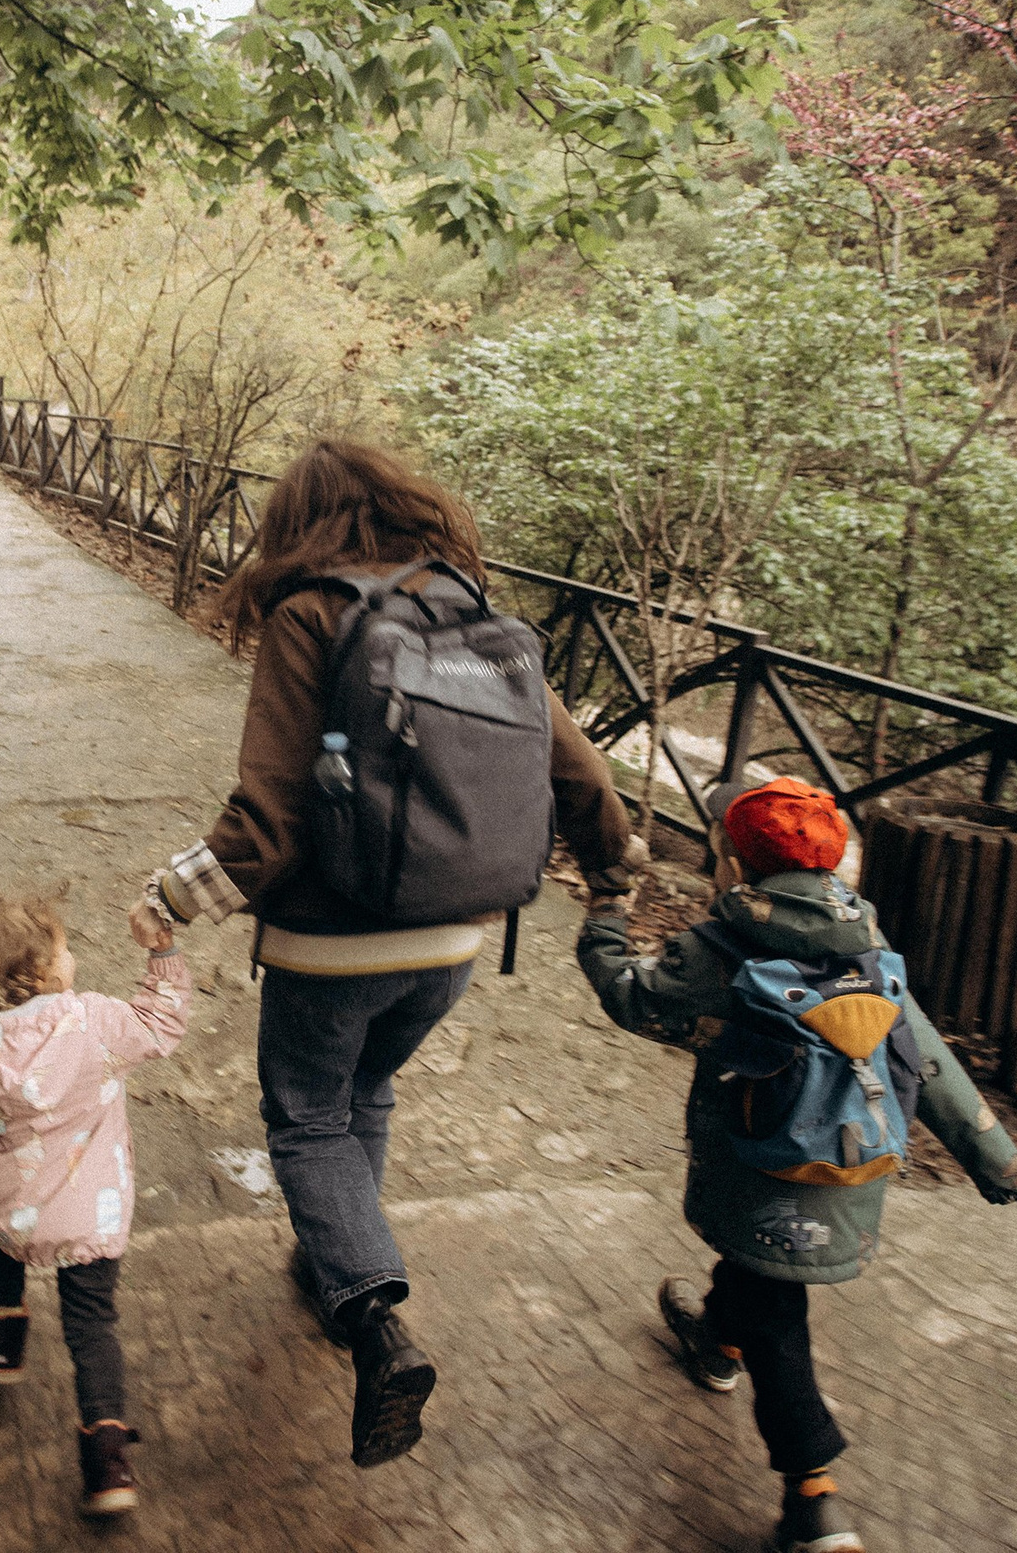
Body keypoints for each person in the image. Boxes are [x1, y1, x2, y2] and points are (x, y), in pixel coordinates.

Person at [132, 439, 640, 1468]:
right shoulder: (467, 607)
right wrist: (615, 873)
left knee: (307, 1116)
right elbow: (579, 771)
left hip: (333, 943)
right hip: (457, 937)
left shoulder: (309, 613)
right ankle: (334, 1263)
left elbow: (266, 822)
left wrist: (171, 897)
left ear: (295, 526)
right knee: (367, 1094)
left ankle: (375, 1322)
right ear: (404, 511)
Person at [578, 777, 1017, 1553]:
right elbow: (928, 1061)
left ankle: (815, 1499)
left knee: (777, 1316)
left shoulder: (723, 945)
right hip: (852, 1172)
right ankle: (717, 1343)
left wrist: (605, 920)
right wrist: (997, 1156)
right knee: (759, 1280)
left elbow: (633, 997)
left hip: (761, 1168)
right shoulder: (870, 949)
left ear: (734, 859)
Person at [0, 893, 192, 1518]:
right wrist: (163, 956)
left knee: (1, 1245)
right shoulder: (91, 1020)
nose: (73, 958)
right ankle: (108, 1461)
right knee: (92, 1325)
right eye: (64, 951)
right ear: (41, 974)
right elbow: (162, 1023)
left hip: (11, 1199)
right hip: (88, 1212)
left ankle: (3, 1344)